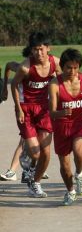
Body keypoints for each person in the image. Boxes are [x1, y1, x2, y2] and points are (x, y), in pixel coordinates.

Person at [11, 32, 61, 197]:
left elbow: (61, 81)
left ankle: (35, 182)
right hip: (26, 110)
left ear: (48, 48)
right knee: (36, 153)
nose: (38, 53)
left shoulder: (55, 63)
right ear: (31, 50)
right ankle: (28, 158)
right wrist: (18, 108)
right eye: (35, 50)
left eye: (41, 49)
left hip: (45, 109)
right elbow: (14, 85)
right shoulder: (25, 67)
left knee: (46, 152)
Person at [49, 48, 82, 205]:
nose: (72, 71)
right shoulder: (55, 84)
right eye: (69, 67)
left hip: (81, 123)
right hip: (62, 126)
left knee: (78, 150)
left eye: (76, 68)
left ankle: (80, 174)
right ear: (62, 66)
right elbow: (52, 113)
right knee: (64, 165)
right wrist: (62, 112)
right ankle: (70, 191)